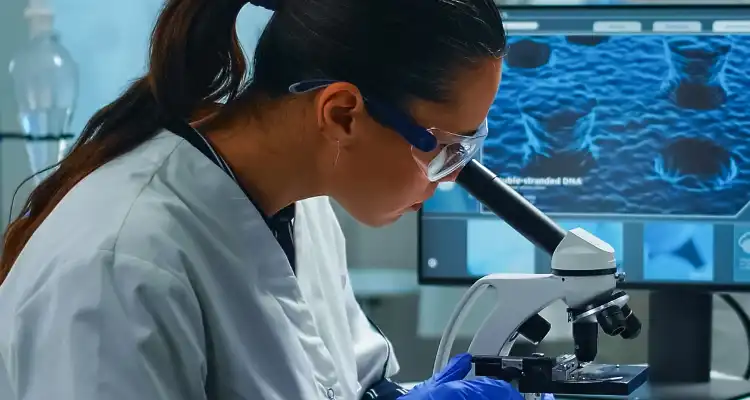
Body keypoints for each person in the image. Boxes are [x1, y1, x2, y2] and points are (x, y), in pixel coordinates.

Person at [0, 0, 537, 399]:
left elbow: (344, 381)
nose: (448, 180)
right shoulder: (121, 268)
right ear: (342, 113)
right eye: (445, 149)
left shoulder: (302, 203)